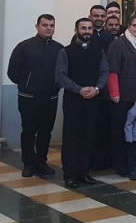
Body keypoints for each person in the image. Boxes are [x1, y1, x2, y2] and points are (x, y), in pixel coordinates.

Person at [7, 14, 63, 178]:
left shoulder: (59, 49)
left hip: (50, 98)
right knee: (29, 131)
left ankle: (41, 162)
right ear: (37, 27)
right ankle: (28, 164)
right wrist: (27, 84)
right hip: (28, 97)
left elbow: (63, 73)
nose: (48, 28)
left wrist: (56, 86)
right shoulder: (24, 46)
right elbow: (12, 72)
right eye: (45, 25)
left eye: (51, 25)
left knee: (46, 132)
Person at [56, 18, 109, 185]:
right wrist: (78, 89)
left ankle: (84, 172)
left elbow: (104, 71)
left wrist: (97, 89)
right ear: (76, 30)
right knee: (71, 137)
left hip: (93, 99)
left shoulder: (98, 50)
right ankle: (70, 174)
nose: (87, 31)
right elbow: (60, 76)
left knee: (88, 136)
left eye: (89, 28)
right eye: (83, 28)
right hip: (73, 100)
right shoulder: (66, 51)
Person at [106, 15, 136, 176]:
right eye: (135, 25)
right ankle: (121, 165)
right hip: (124, 96)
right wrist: (114, 92)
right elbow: (112, 71)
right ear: (129, 26)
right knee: (122, 132)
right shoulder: (118, 44)